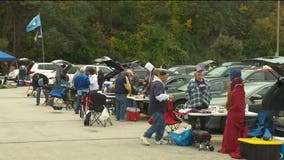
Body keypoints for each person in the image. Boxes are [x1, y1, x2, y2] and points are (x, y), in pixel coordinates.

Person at [140, 70, 174, 146]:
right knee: (158, 123)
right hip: (157, 108)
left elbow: (160, 95)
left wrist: (167, 98)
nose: (167, 79)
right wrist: (168, 96)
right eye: (166, 77)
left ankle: (158, 139)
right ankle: (145, 136)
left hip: (159, 107)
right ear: (162, 77)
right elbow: (158, 96)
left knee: (162, 124)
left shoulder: (159, 83)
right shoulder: (158, 84)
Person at [218, 69, 246, 159]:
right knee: (233, 133)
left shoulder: (237, 88)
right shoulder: (240, 87)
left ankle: (229, 147)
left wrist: (229, 90)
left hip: (234, 114)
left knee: (231, 133)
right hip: (237, 114)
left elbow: (233, 104)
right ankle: (229, 147)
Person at [185, 63, 212, 130]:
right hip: (194, 106)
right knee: (192, 124)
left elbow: (210, 92)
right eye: (198, 72)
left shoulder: (206, 81)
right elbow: (186, 92)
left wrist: (208, 100)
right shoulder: (191, 82)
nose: (200, 73)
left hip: (204, 106)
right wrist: (190, 101)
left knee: (204, 124)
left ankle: (203, 138)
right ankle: (192, 138)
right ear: (195, 73)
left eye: (201, 72)